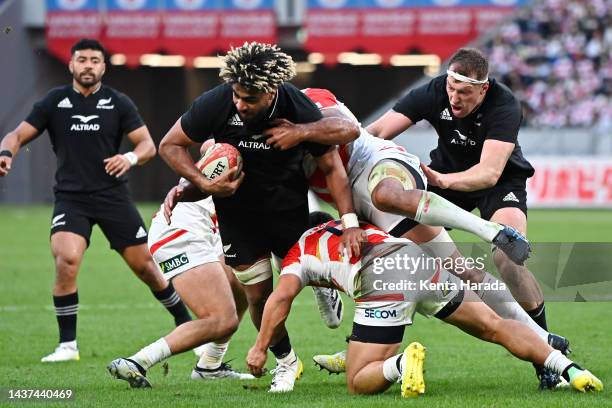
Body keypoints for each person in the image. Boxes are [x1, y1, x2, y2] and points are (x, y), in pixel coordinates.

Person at [268, 88, 567, 382]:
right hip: (355, 205)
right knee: (386, 275)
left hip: (376, 167)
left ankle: (493, 236)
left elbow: (349, 130)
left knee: (459, 268)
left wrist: (301, 131)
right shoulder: (258, 137)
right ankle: (547, 341)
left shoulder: (307, 101)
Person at [157, 42, 364, 392]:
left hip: (287, 212)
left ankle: (324, 286)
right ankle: (286, 362)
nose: (239, 103)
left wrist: (350, 223)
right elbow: (169, 145)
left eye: (249, 98)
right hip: (238, 217)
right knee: (258, 297)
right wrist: (201, 183)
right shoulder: (219, 101)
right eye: (237, 95)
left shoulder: (295, 105)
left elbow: (333, 166)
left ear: (270, 93)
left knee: (302, 279)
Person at [245, 213, 603, 397]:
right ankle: (568, 369)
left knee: (358, 381)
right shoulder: (348, 223)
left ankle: (401, 363)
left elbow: (280, 297)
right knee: (493, 325)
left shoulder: (297, 252)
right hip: (415, 258)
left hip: (382, 280)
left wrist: (261, 348)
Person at [366, 48, 559, 387]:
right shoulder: (435, 89)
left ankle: (546, 357)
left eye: (464, 93)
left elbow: (487, 173)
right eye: (451, 89)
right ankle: (365, 343)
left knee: (508, 257)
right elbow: (379, 131)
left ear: (483, 89)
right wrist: (342, 149)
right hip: (445, 176)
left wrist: (438, 181)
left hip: (498, 183)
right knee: (391, 250)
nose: (454, 97)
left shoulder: (505, 105)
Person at [0, 39, 192, 363]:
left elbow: (146, 144)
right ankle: (67, 346)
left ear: (103, 66)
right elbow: (16, 135)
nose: (88, 65)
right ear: (71, 65)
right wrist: (6, 154)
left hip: (113, 197)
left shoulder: (118, 103)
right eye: (81, 60)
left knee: (146, 267)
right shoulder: (54, 102)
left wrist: (129, 158)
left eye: (94, 60)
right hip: (71, 199)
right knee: (66, 260)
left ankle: (186, 326)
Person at [107, 141, 254, 387]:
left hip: (206, 231)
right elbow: (210, 144)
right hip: (182, 231)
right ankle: (137, 361)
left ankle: (209, 366)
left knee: (241, 288)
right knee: (221, 319)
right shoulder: (247, 137)